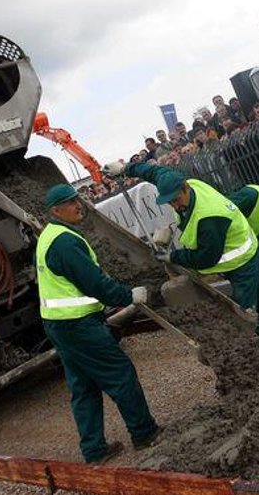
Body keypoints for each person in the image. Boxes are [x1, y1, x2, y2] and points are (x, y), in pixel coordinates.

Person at [36, 184, 161, 464]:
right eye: (70, 203)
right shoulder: (65, 242)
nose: (78, 205)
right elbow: (93, 283)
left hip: (60, 326)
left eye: (77, 200)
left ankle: (94, 451)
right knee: (120, 375)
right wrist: (128, 296)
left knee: (84, 387)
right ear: (56, 211)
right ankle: (145, 433)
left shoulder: (51, 235)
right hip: (78, 326)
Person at [105, 162, 259, 334]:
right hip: (230, 253)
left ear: (186, 187)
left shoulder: (209, 218)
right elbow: (152, 172)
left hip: (241, 261)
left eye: (177, 200)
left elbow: (206, 258)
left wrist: (174, 257)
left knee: (245, 312)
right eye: (170, 202)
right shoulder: (173, 181)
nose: (176, 206)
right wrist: (125, 169)